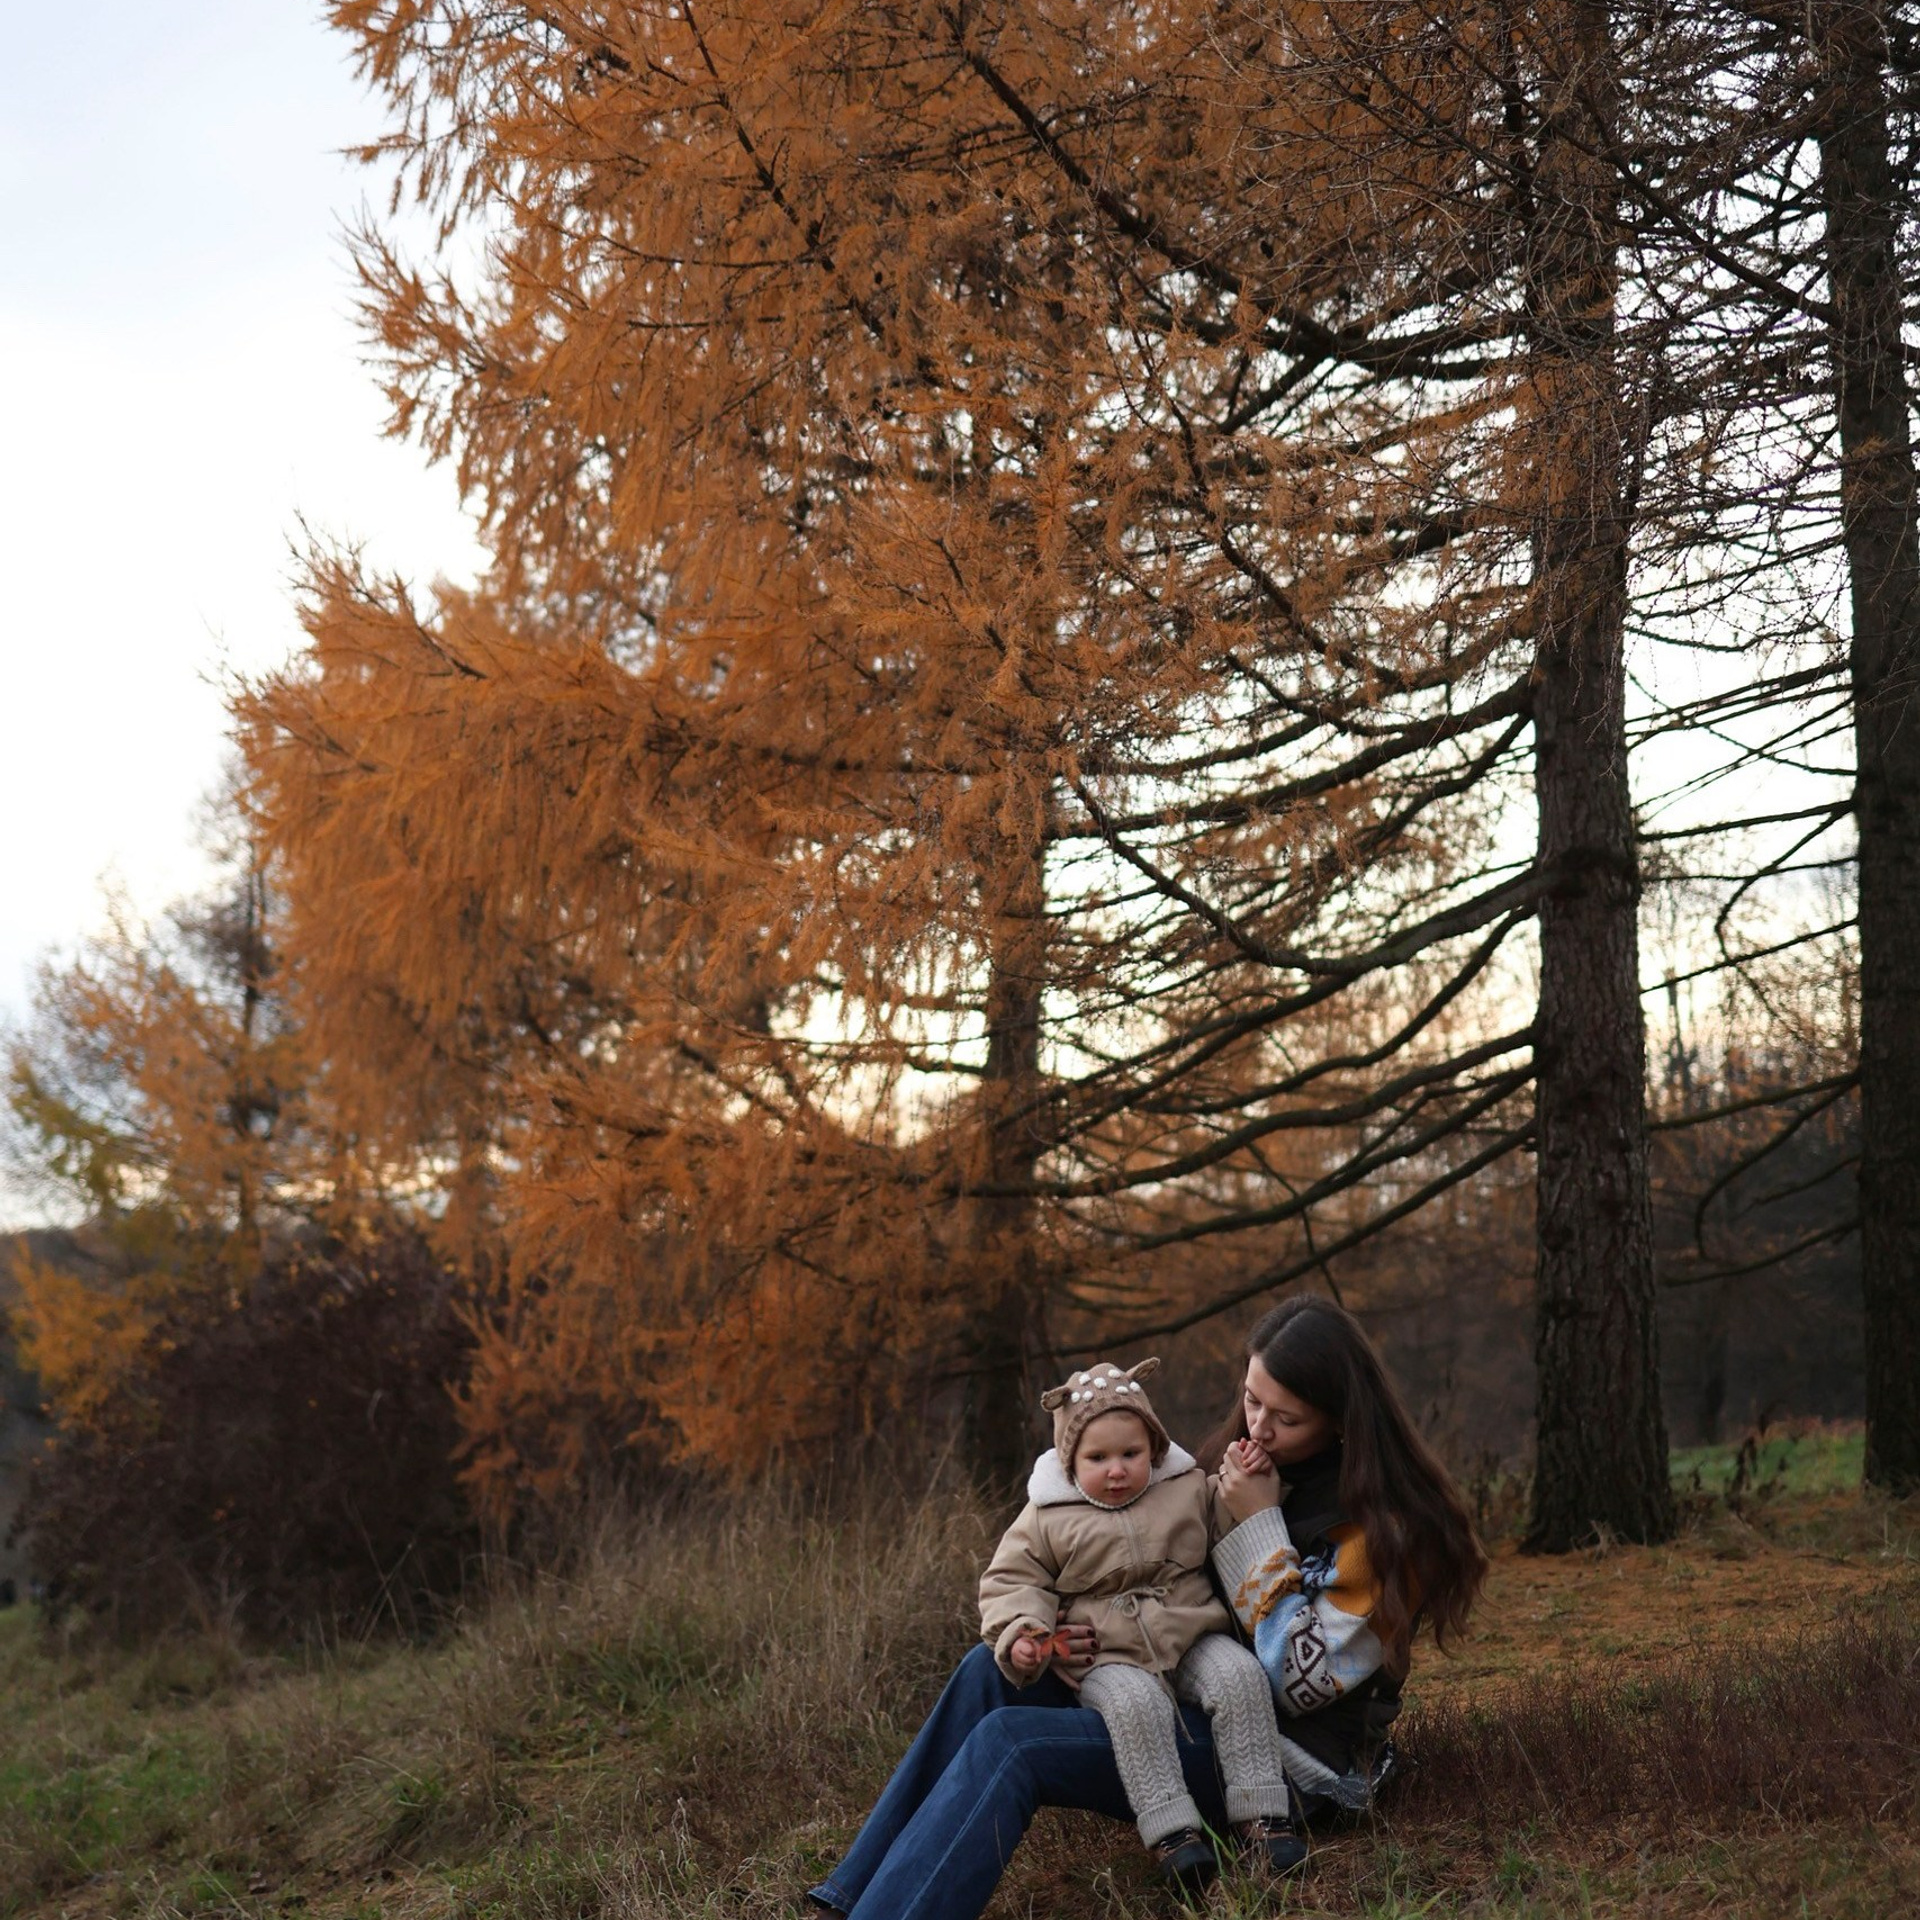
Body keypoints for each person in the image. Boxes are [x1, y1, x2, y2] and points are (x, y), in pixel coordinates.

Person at [804, 1295, 1487, 1920]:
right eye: (1252, 1401)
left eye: (1287, 1417)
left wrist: (1256, 1529)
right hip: (1180, 1694)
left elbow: (1299, 1686)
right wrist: (1065, 1638)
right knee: (988, 1669)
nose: (1259, 1427)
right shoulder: (1234, 1469)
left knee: (1011, 1745)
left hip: (1280, 1761)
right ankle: (851, 1896)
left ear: (1342, 1418)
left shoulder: (1389, 1532)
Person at [979, 1356, 1299, 1890]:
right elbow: (1013, 1580)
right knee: (1136, 1707)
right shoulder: (1046, 1516)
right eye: (1097, 1457)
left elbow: (1226, 1520)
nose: (1117, 1469)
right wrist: (1025, 1634)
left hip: (1190, 1630)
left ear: (1152, 1448)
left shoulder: (1184, 1487)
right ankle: (1175, 1836)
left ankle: (1263, 1817)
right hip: (1107, 1653)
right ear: (1070, 1461)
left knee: (1240, 1677)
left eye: (1130, 1453)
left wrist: (1247, 1477)